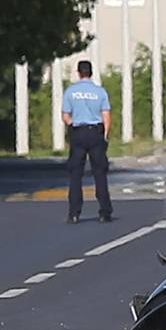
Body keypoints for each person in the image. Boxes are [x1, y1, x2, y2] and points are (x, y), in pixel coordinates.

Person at [62, 60, 113, 224]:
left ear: (78, 72)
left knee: (75, 174)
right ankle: (104, 212)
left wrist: (73, 126)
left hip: (78, 133)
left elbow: (65, 116)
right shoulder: (100, 92)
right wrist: (104, 135)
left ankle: (74, 213)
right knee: (100, 172)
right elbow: (106, 116)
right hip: (95, 133)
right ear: (91, 73)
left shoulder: (71, 92)